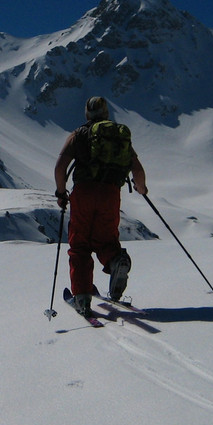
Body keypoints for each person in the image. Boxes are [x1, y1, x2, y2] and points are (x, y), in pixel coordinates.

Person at [53, 96, 147, 314]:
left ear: (87, 114)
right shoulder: (118, 137)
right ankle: (116, 261)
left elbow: (60, 167)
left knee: (80, 245)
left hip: (84, 193)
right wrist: (141, 188)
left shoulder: (79, 135)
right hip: (110, 195)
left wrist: (61, 193)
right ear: (106, 114)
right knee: (106, 239)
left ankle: (82, 297)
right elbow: (138, 170)